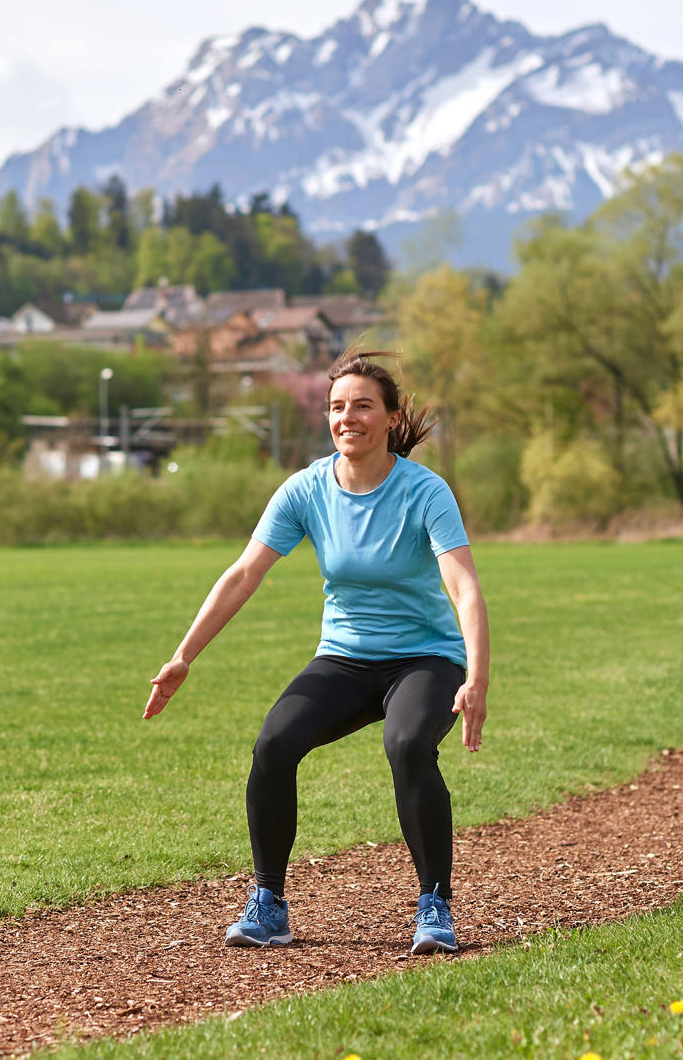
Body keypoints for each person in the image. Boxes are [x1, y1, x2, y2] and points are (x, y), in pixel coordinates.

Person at [142, 351, 489, 955]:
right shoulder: (305, 489)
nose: (346, 417)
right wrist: (183, 655)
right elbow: (243, 574)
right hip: (346, 658)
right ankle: (269, 903)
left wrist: (477, 676)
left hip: (424, 658)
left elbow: (463, 585)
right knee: (274, 745)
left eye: (361, 406)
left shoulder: (424, 491)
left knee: (407, 745)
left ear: (390, 416)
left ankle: (434, 905)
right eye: (336, 407)